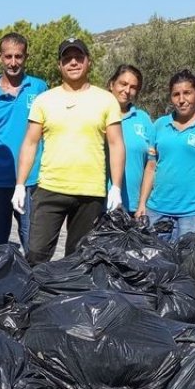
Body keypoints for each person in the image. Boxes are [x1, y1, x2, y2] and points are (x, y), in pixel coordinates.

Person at [12, 38, 124, 264]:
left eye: (78, 57)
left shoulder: (106, 100)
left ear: (88, 62)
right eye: (67, 58)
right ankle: (35, 289)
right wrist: (20, 184)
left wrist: (116, 187)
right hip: (50, 188)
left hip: (90, 192)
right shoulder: (44, 100)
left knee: (78, 260)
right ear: (59, 65)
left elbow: (116, 144)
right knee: (36, 254)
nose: (73, 62)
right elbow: (30, 142)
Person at [135, 70, 195, 243]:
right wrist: (142, 204)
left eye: (187, 93)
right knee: (152, 257)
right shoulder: (160, 125)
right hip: (157, 210)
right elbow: (151, 167)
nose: (182, 99)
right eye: (176, 94)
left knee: (187, 258)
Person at [0, 33, 47, 249]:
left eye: (18, 56)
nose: (13, 62)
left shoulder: (39, 88)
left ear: (26, 57)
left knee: (33, 245)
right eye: (8, 56)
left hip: (31, 180)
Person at [108, 64, 155, 212]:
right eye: (123, 84)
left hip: (133, 207)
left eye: (133, 87)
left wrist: (142, 203)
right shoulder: (97, 114)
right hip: (97, 205)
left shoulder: (143, 119)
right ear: (112, 84)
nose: (127, 90)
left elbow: (151, 164)